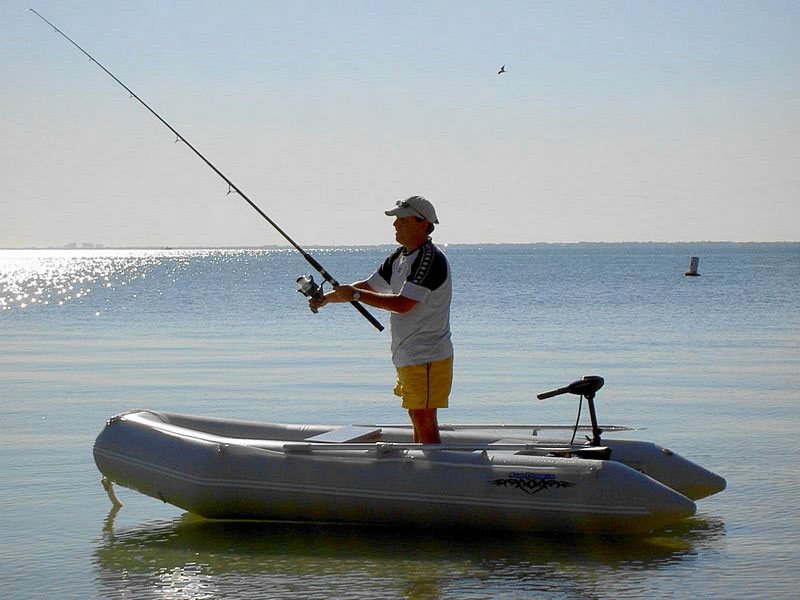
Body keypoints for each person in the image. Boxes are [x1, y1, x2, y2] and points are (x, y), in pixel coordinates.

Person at [308, 195, 453, 443]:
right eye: (396, 220)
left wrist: (356, 294)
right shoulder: (399, 257)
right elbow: (369, 286)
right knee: (416, 413)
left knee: (423, 416)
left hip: (427, 355)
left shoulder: (431, 259)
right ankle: (423, 462)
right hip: (407, 354)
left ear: (422, 223)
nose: (395, 225)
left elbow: (403, 304)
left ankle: (432, 471)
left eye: (402, 220)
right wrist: (327, 299)